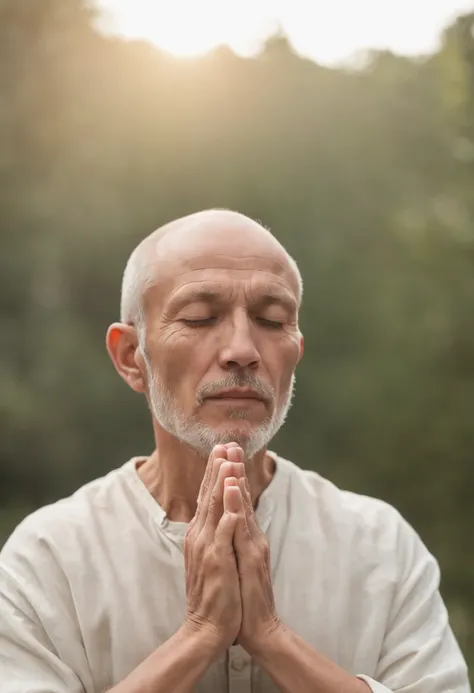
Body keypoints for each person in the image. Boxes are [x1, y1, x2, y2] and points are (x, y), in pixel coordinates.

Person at [0, 209, 469, 693]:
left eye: (272, 320)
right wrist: (199, 635)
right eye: (201, 318)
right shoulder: (51, 558)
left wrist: (270, 637)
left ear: (296, 352)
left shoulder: (379, 549)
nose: (243, 349)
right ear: (130, 358)